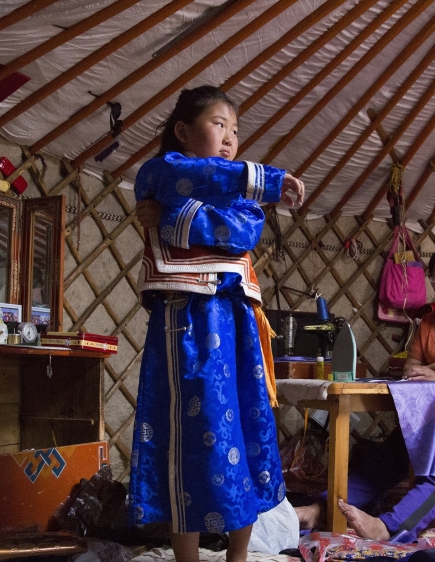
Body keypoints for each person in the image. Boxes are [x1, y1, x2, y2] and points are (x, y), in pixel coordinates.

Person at [128, 85, 305, 562]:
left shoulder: (242, 197)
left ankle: (238, 558)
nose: (230, 137)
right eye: (218, 124)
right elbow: (174, 178)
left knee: (246, 431)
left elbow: (242, 230)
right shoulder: (160, 171)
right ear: (183, 131)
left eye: (235, 130)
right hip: (183, 324)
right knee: (189, 439)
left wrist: (172, 217)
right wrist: (264, 179)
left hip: (237, 326)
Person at [295, 244, 435, 542]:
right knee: (383, 462)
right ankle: (318, 509)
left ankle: (389, 526)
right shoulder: (428, 323)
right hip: (433, 414)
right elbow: (412, 369)